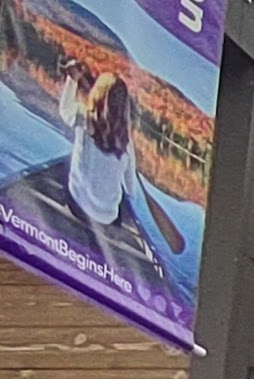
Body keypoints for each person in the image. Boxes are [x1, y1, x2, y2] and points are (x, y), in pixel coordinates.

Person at [58, 59, 182, 253]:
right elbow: (131, 190)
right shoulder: (126, 145)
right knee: (119, 198)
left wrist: (72, 79)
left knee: (67, 167)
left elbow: (65, 111)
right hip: (106, 218)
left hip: (76, 202)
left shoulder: (84, 118)